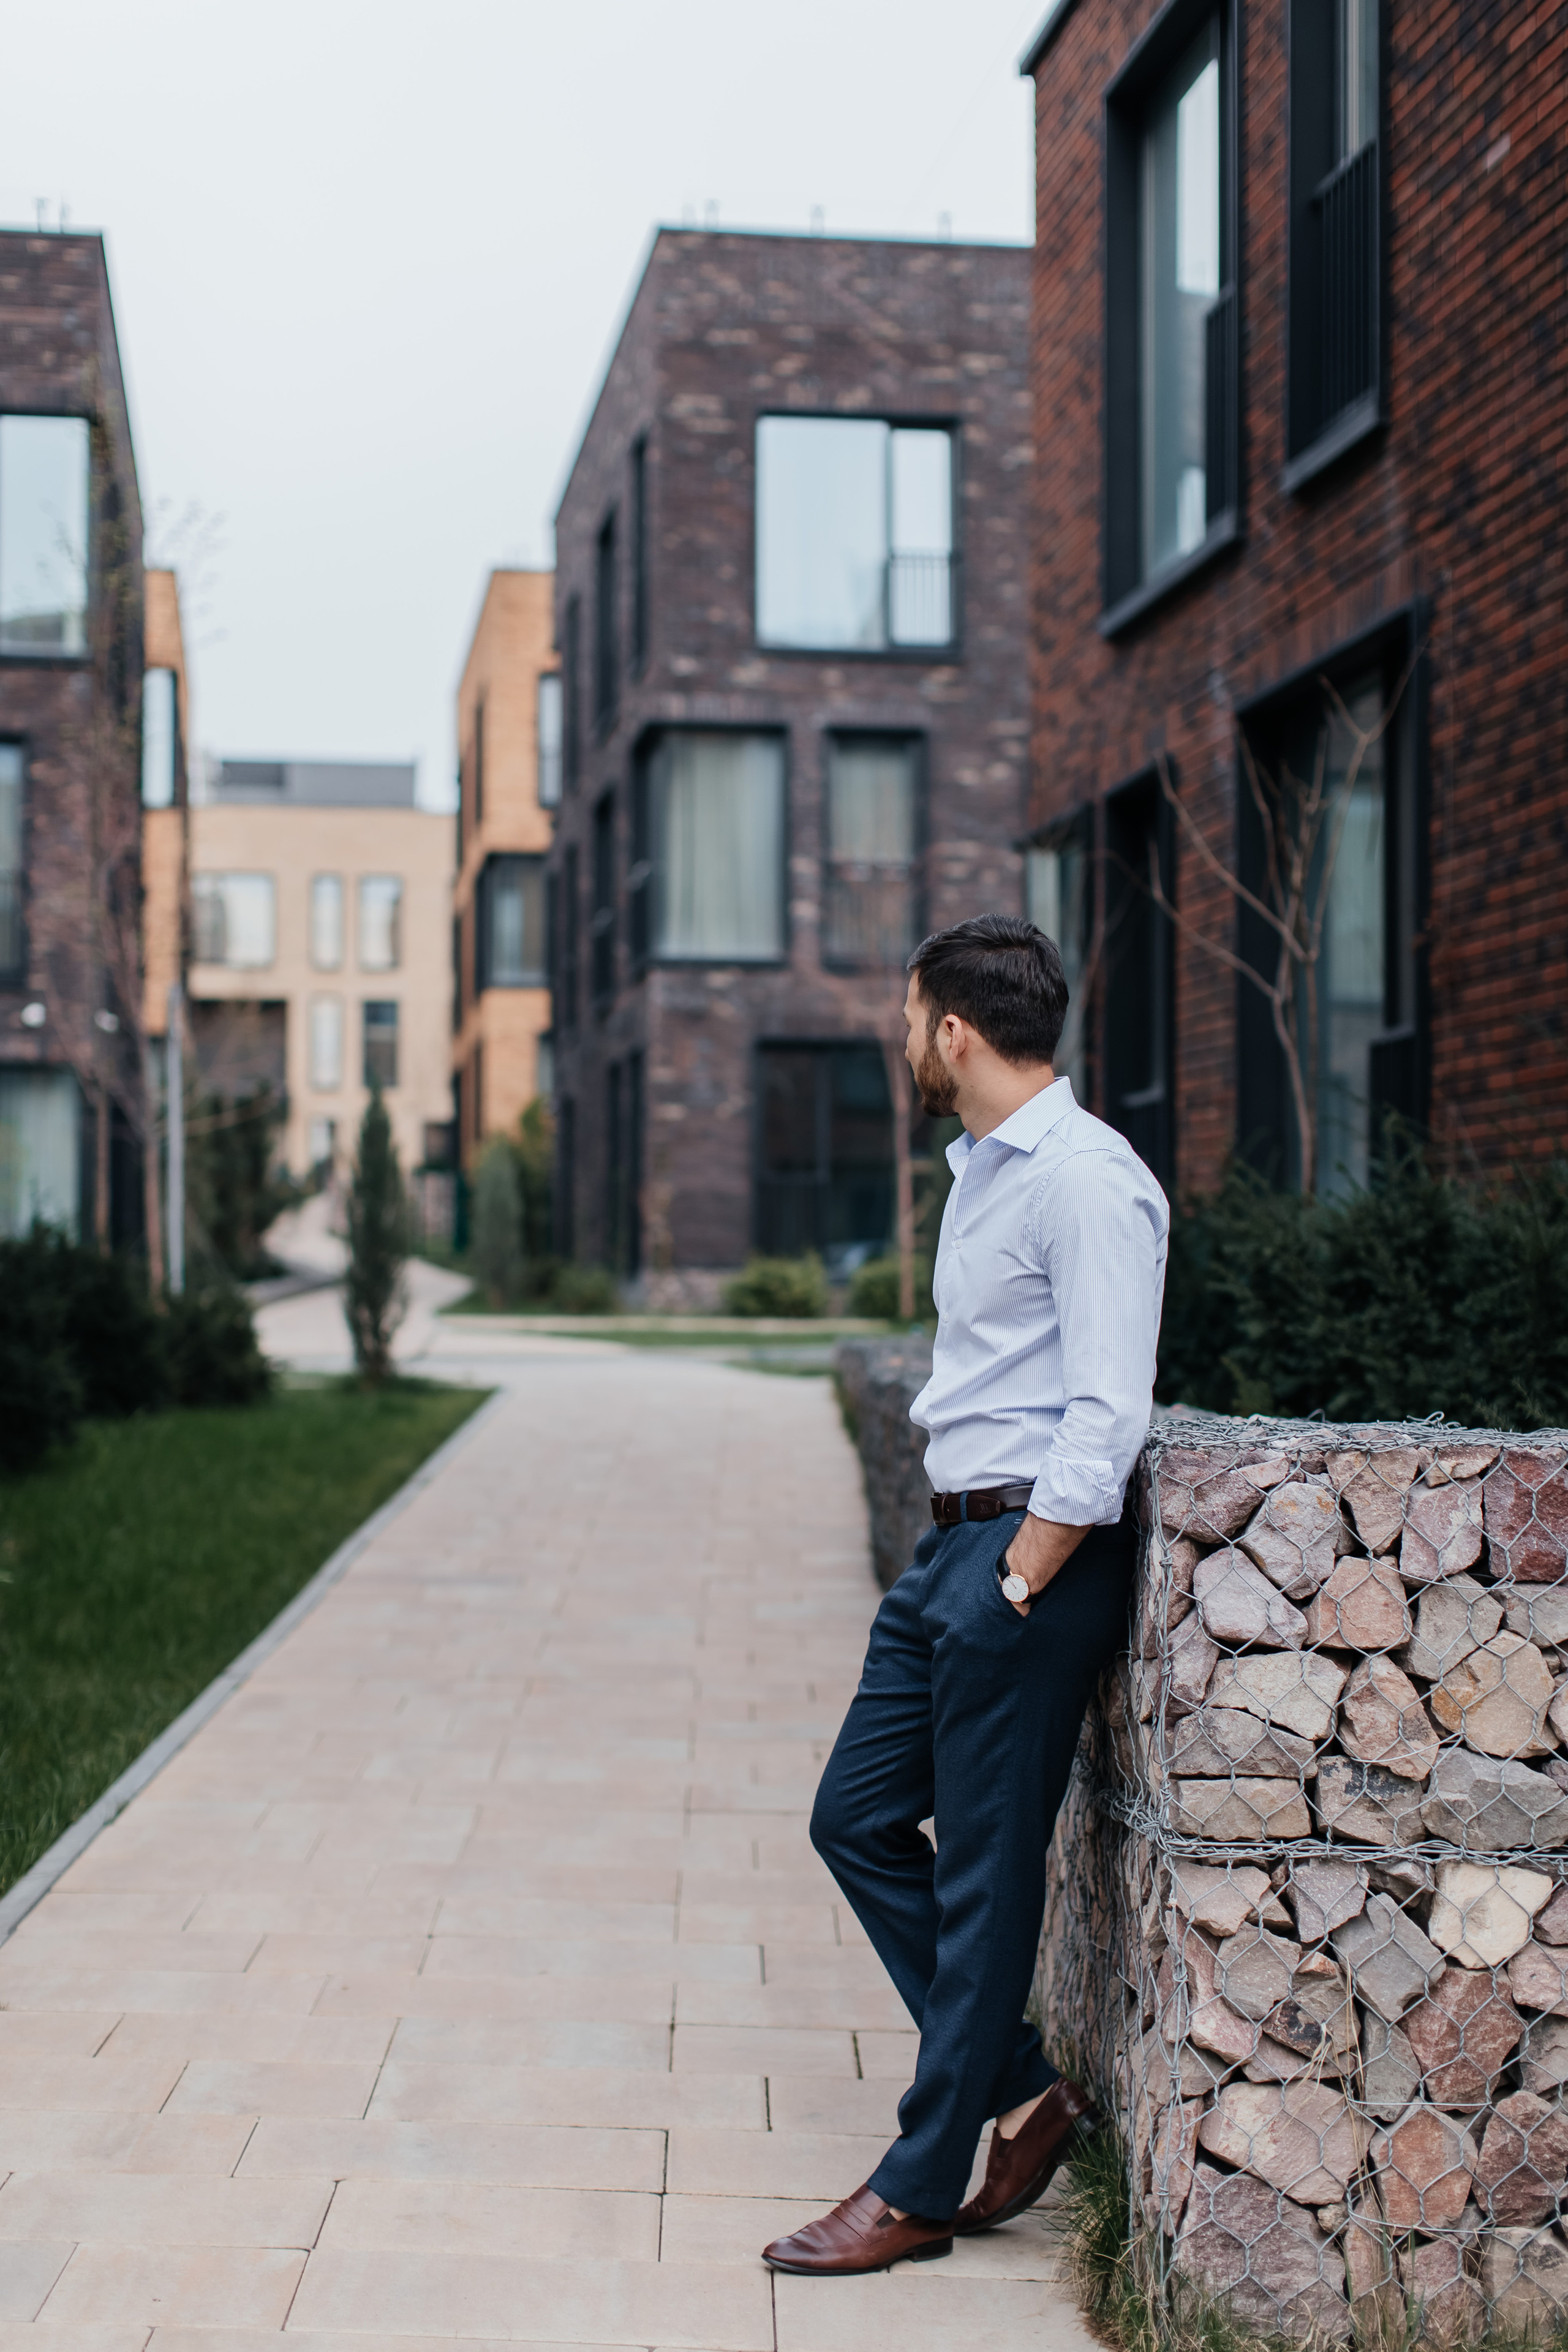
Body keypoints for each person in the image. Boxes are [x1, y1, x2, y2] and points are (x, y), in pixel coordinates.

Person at [761, 912, 1169, 2277]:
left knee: (988, 1884)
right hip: (951, 1550)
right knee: (855, 1817)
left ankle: (919, 2187)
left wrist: (1020, 1575)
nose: (900, 1041)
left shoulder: (1086, 1182)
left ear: (951, 1029)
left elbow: (1107, 1411)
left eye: (905, 1018)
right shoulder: (985, 1174)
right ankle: (1026, 2088)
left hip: (1025, 1565)